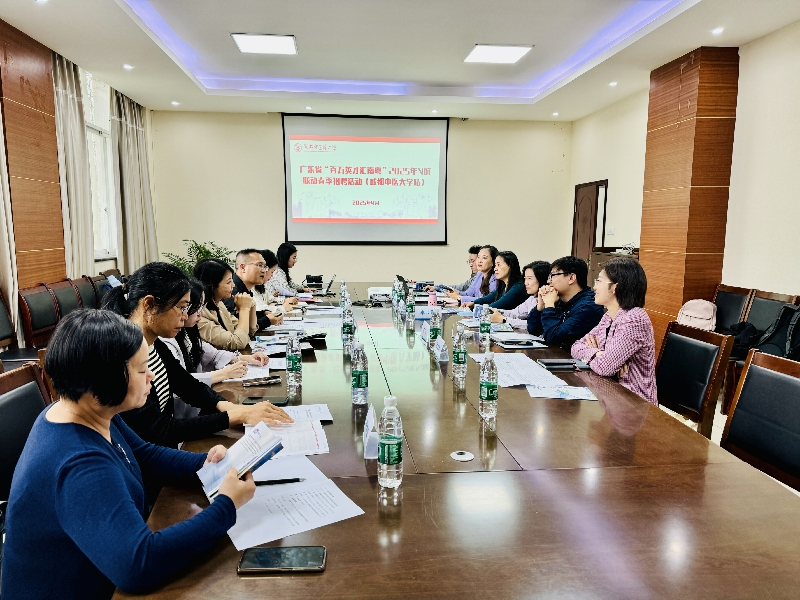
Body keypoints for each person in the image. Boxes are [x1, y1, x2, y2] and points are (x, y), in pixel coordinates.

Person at [0, 309, 257, 598]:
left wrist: (210, 464)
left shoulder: (86, 408)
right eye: (141, 370)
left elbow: (145, 455)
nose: (151, 377)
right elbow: (138, 564)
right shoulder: (79, 462)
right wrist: (226, 506)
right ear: (106, 379)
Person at [102, 261, 291, 448]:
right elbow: (160, 430)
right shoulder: (122, 355)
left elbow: (188, 385)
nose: (185, 316)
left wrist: (232, 408)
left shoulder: (153, 343)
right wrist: (234, 416)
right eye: (181, 307)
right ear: (150, 305)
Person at [160, 279, 270, 418]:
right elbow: (181, 382)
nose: (200, 313)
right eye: (195, 307)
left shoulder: (189, 330)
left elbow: (212, 354)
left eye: (202, 306)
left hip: (199, 407)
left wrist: (242, 358)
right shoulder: (166, 339)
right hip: (184, 416)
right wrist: (224, 373)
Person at [571, 257, 657, 405]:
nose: (594, 287)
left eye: (599, 281)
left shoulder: (635, 319)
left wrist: (602, 358)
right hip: (611, 395)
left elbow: (604, 367)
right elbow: (576, 346)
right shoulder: (608, 316)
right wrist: (598, 353)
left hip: (635, 403)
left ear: (614, 287)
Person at [527, 256, 605, 350]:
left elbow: (554, 339)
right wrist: (540, 307)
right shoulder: (559, 300)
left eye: (553, 275)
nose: (548, 281)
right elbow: (533, 331)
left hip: (572, 357)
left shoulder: (588, 307)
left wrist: (549, 306)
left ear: (571, 278)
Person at [194, 258, 261, 351]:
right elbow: (238, 343)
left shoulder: (219, 304)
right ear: (212, 286)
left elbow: (248, 332)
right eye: (229, 282)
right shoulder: (198, 315)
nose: (233, 285)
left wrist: (252, 306)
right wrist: (244, 309)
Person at [224, 249, 283, 329]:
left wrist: (262, 314)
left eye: (265, 267)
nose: (264, 271)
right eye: (259, 265)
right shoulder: (232, 290)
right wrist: (266, 321)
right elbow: (236, 327)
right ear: (243, 267)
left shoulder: (244, 288)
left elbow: (244, 317)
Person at [490, 260, 551, 327]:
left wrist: (504, 320)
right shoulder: (532, 299)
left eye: (529, 278)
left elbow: (532, 325)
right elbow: (514, 313)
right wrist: (494, 311)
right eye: (525, 278)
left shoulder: (550, 301)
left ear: (542, 279)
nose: (526, 283)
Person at [463, 251, 528, 310]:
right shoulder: (503, 286)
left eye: (499, 265)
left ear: (510, 266)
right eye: (495, 265)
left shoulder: (517, 287)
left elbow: (496, 306)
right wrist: (473, 303)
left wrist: (477, 307)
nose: (495, 269)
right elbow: (486, 299)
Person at [254, 248, 299, 313]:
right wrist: (282, 308)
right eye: (272, 272)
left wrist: (284, 301)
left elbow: (270, 299)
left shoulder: (260, 286)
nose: (272, 276)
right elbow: (261, 309)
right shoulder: (251, 288)